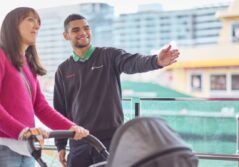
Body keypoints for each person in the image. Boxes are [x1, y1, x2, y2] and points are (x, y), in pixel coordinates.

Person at [54, 14, 180, 167]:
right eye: (76, 30)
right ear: (66, 36)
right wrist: (60, 145)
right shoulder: (63, 70)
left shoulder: (108, 55)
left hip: (109, 142)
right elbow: (60, 110)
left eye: (86, 28)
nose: (83, 32)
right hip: (78, 143)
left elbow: (134, 62)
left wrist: (156, 61)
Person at [0, 7, 89, 167]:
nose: (37, 26)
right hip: (4, 147)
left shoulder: (27, 65)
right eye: (31, 20)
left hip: (26, 149)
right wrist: (22, 131)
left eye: (38, 22)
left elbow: (41, 107)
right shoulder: (1, 56)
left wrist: (71, 127)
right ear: (13, 25)